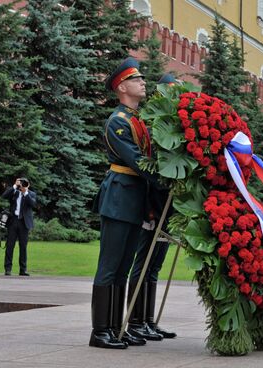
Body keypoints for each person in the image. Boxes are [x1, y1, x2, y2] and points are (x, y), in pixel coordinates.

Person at [89, 57, 158, 349]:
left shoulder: (136, 120)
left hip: (134, 200)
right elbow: (137, 160)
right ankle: (100, 330)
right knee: (109, 266)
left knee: (124, 267)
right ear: (122, 87)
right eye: (137, 79)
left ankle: (116, 327)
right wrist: (168, 175)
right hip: (119, 197)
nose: (143, 82)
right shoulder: (118, 122)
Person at [126, 74, 178, 341]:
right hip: (151, 206)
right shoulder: (154, 128)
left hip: (167, 207)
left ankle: (147, 320)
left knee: (155, 264)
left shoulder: (173, 129)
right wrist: (148, 208)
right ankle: (134, 321)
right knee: (143, 263)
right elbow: (147, 169)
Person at [2, 178, 36, 276]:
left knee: (23, 246)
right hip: (13, 221)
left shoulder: (31, 194)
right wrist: (14, 186)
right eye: (21, 183)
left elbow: (33, 204)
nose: (23, 185)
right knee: (10, 245)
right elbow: (4, 196)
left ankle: (23, 269)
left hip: (24, 222)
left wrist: (25, 192)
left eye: (25, 183)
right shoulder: (14, 192)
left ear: (28, 185)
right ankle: (8, 269)